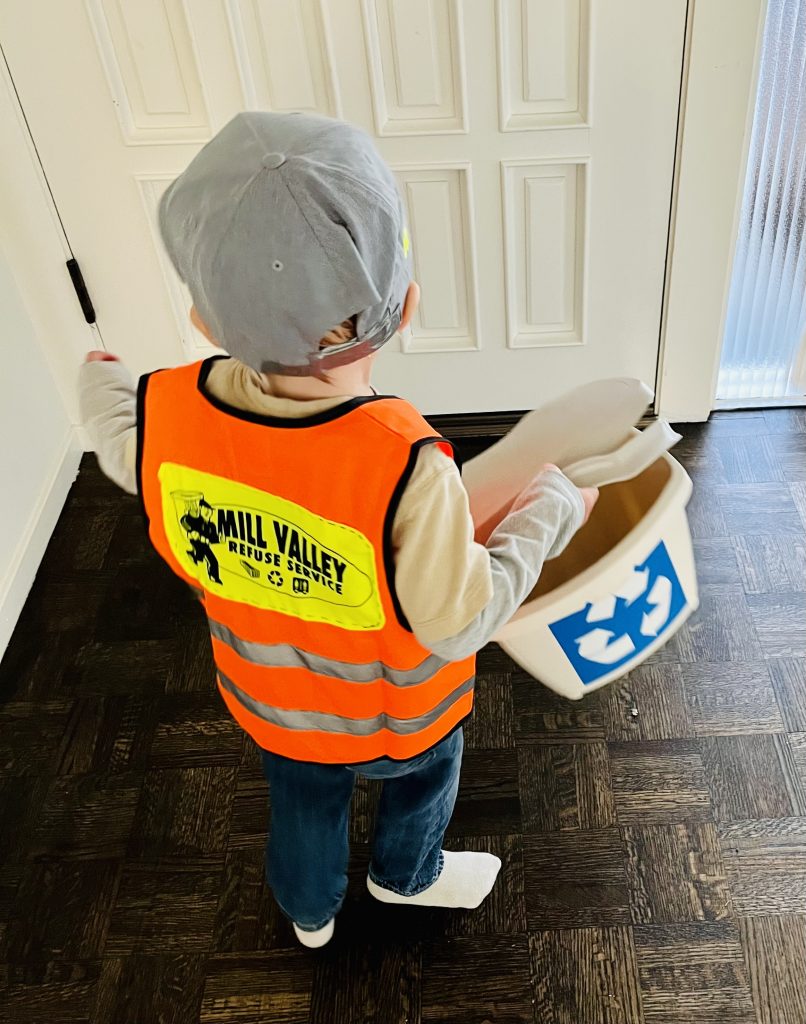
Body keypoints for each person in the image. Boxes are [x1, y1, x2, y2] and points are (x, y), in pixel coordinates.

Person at [79, 112, 598, 949]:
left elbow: (116, 432)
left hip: (275, 704)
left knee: (302, 803)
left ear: (208, 324)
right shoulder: (404, 464)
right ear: (407, 303)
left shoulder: (169, 415)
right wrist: (548, 512)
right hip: (400, 716)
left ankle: (310, 909)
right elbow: (459, 616)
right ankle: (406, 876)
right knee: (424, 784)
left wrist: (97, 378)